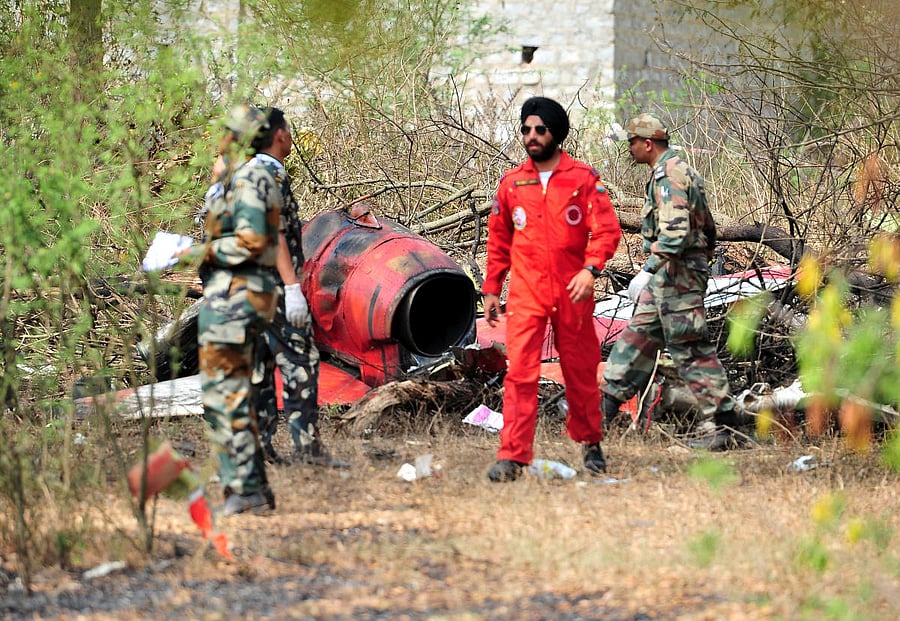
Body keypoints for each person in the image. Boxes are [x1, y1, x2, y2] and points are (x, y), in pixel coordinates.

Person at [482, 96, 622, 482]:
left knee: (580, 373)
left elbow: (607, 231)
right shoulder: (512, 183)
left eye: (539, 129)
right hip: (527, 295)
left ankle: (591, 445)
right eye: (526, 129)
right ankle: (512, 456)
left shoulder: (582, 178)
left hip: (572, 293)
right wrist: (492, 288)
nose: (531, 136)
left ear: (555, 133)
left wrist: (591, 270)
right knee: (520, 374)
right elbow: (499, 241)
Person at [601, 113, 739, 450]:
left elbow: (676, 234)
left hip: (677, 278)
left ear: (648, 144)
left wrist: (647, 269)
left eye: (632, 142)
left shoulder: (669, 177)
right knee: (636, 339)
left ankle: (724, 428)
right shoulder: (677, 172)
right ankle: (600, 414)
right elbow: (707, 229)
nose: (629, 149)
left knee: (690, 350)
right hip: (669, 277)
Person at [194, 104, 282, 516]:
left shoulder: (248, 178)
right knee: (232, 395)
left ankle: (244, 488)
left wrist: (195, 250)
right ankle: (252, 487)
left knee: (224, 395)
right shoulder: (239, 176)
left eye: (226, 132)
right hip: (236, 295)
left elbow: (251, 240)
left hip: (236, 297)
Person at [249, 107, 349, 469]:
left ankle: (260, 445)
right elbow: (272, 233)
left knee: (258, 365)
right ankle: (308, 448)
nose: (290, 136)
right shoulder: (270, 175)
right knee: (301, 361)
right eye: (288, 130)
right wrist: (291, 286)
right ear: (279, 134)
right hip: (273, 287)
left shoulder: (244, 174)